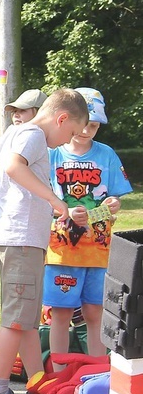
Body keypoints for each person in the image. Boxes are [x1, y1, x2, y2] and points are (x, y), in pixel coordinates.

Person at [0, 88, 88, 394]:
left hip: (17, 237)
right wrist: (52, 199)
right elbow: (14, 168)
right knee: (16, 321)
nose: (66, 141)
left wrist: (7, 200)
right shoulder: (32, 134)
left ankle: (37, 384)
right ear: (61, 118)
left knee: (28, 321)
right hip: (20, 239)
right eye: (71, 132)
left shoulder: (13, 134)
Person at [44, 87, 132, 367]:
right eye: (85, 124)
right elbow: (42, 196)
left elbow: (114, 194)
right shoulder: (53, 154)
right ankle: (58, 371)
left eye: (94, 126)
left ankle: (98, 370)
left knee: (96, 312)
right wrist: (61, 208)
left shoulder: (106, 155)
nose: (88, 131)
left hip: (98, 250)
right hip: (63, 249)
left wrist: (113, 203)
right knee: (61, 312)